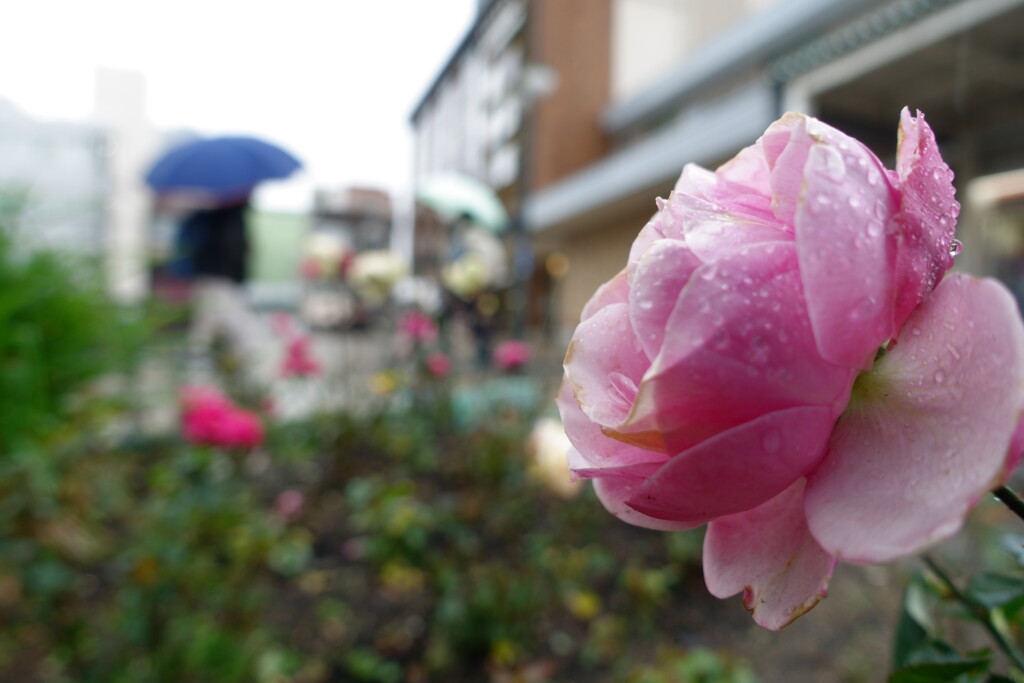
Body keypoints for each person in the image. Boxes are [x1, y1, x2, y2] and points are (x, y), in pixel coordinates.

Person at [180, 198, 265, 381]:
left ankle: (199, 383)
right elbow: (232, 248)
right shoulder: (230, 214)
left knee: (204, 331)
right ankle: (237, 381)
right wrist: (245, 249)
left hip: (208, 278)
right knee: (247, 334)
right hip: (220, 281)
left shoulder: (210, 212)